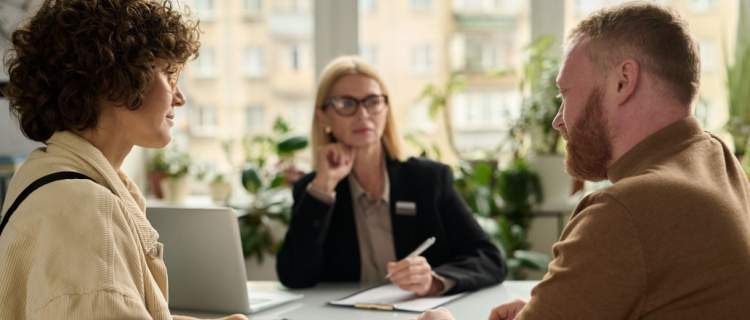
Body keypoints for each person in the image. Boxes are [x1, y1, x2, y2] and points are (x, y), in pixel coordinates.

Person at [415, 2, 750, 319]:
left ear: (622, 82)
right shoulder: (716, 159)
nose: (557, 120)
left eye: (566, 95)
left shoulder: (626, 209)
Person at [0, 1, 245, 319]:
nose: (179, 97)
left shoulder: (46, 175)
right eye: (169, 74)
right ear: (111, 78)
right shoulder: (87, 211)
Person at [276, 55, 506, 296]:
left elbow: (490, 259)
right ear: (323, 116)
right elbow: (294, 276)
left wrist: (434, 281)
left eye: (372, 102)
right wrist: (324, 186)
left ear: (386, 109)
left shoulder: (428, 179)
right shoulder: (313, 189)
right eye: (346, 103)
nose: (362, 115)